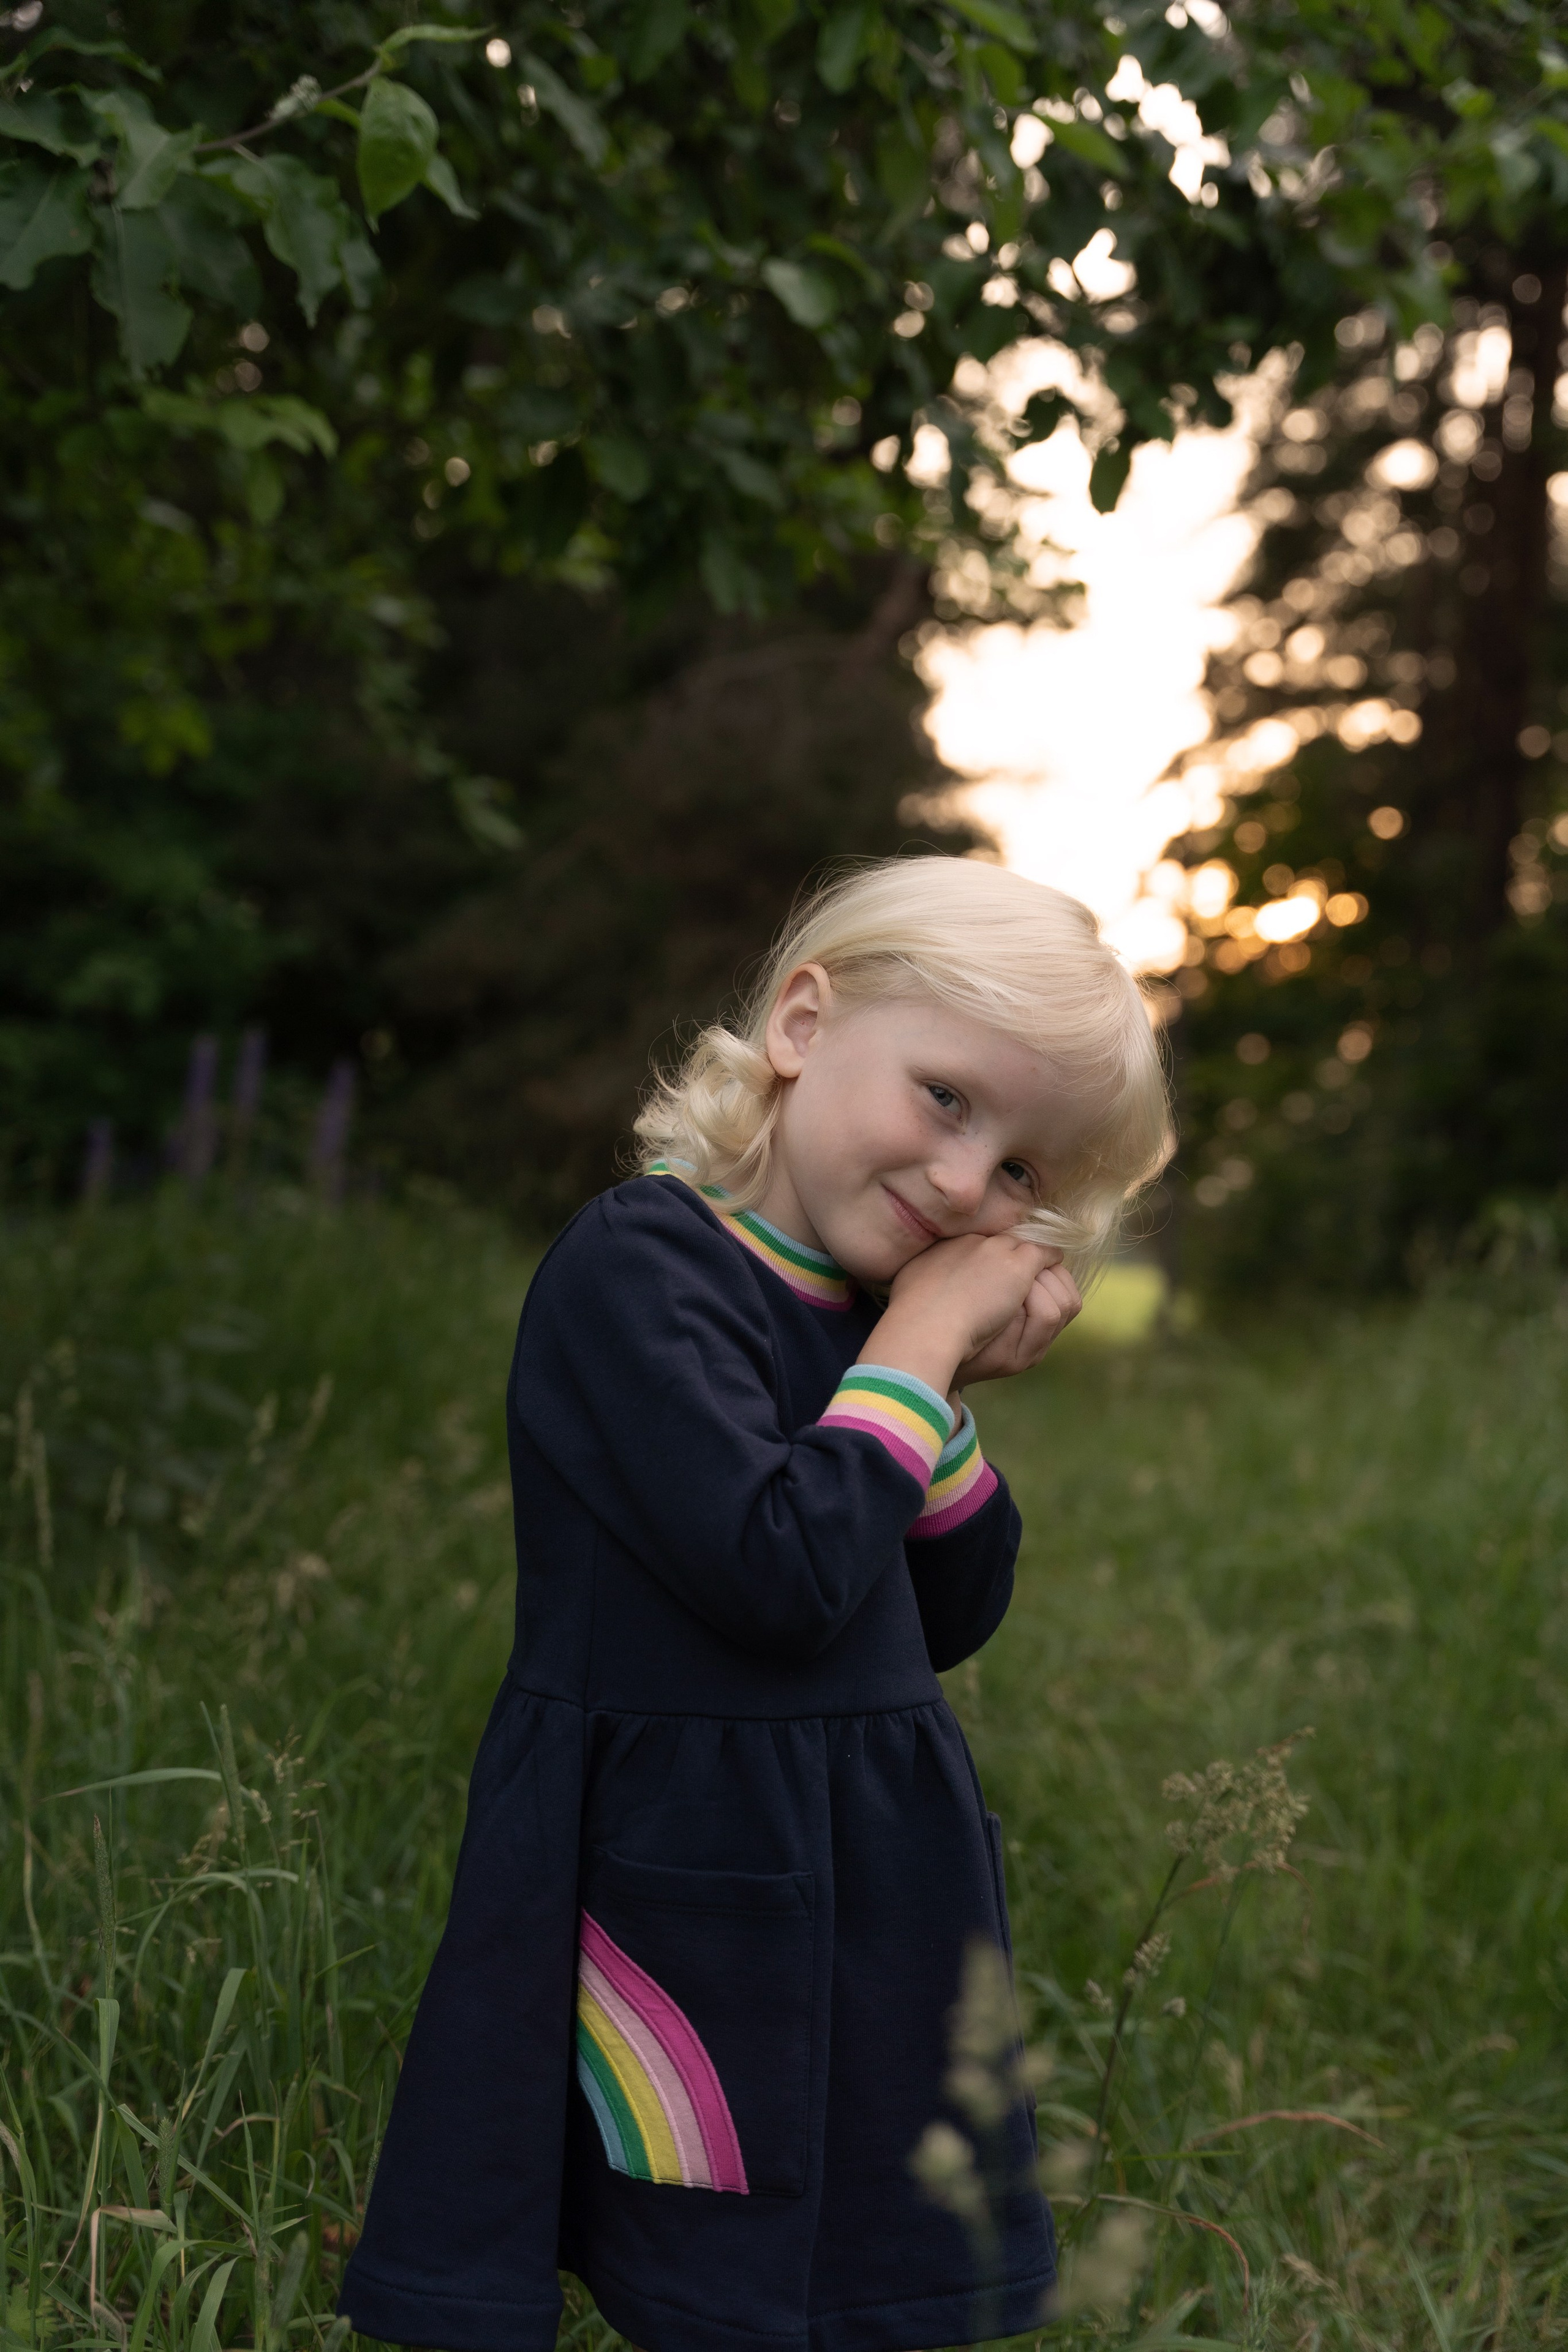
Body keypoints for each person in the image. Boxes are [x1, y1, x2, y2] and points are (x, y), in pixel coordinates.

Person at [340, 856, 1172, 2352]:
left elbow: (952, 1606)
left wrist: (938, 1395)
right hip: (674, 1871)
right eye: (945, 1099)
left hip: (870, 1860)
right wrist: (918, 1345)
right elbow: (778, 1572)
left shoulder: (866, 1324)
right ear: (802, 1021)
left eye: (1026, 1175)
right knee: (713, 2255)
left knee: (863, 2248)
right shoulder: (643, 1268)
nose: (968, 1184)